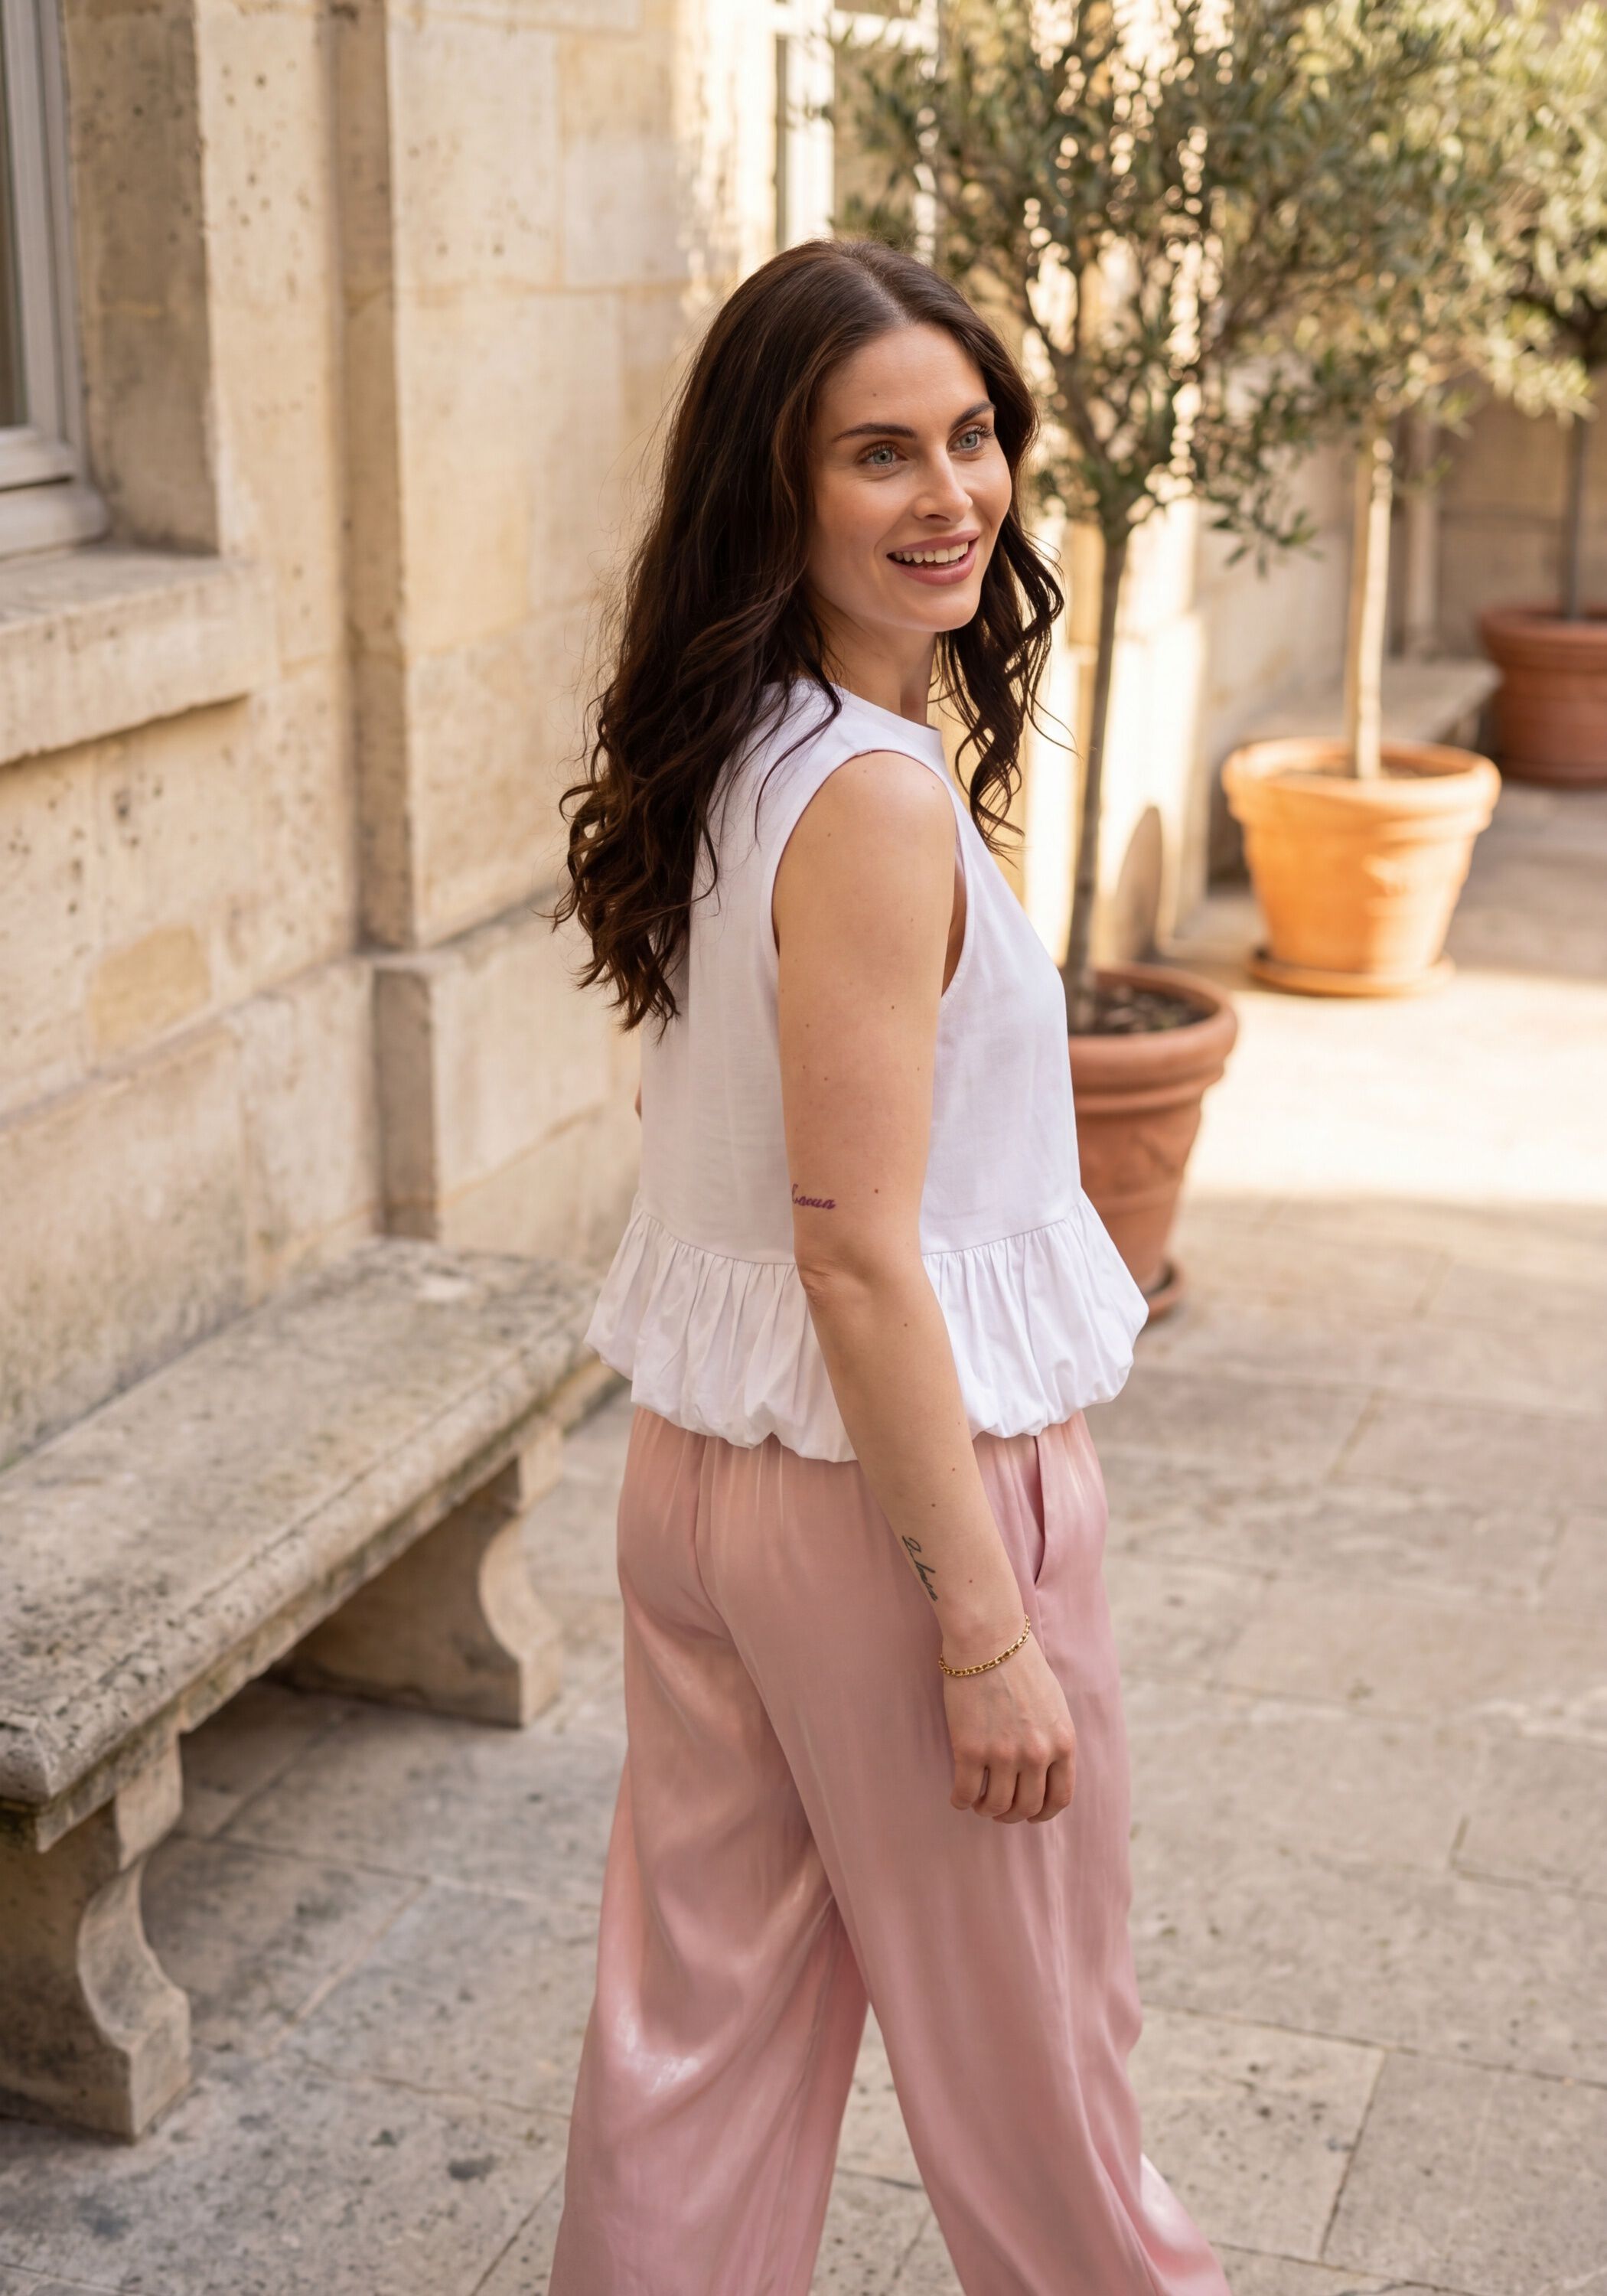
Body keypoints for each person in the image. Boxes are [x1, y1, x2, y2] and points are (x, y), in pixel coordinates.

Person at [544, 237, 1233, 2296]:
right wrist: (982, 1629)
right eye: (878, 453)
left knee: (695, 2059)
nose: (952, 494)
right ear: (775, 487)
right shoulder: (866, 795)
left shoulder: (744, 742)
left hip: (705, 1483)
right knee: (1043, 2092)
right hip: (902, 1503)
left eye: (971, 435)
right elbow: (854, 1258)